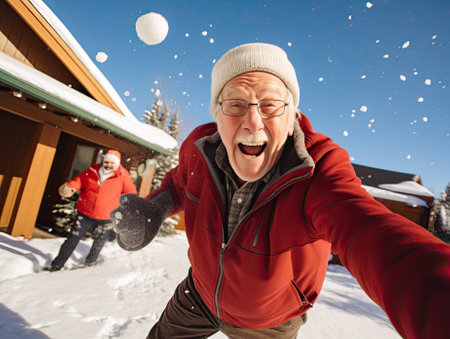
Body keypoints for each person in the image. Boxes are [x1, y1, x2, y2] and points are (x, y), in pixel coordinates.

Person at [110, 43, 450, 338]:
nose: (253, 121)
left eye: (271, 105)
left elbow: (368, 229)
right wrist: (155, 208)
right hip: (198, 295)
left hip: (271, 321)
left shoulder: (319, 169)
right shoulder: (198, 148)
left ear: (292, 120)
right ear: (217, 114)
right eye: (235, 104)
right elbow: (180, 183)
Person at [45, 150, 137, 271]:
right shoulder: (92, 170)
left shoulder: (123, 175)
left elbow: (130, 194)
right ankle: (56, 265)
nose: (108, 165)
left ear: (117, 164)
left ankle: (89, 265)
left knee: (98, 242)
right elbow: (79, 180)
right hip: (85, 213)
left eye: (112, 163)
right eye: (106, 162)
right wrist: (71, 187)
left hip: (106, 217)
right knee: (72, 239)